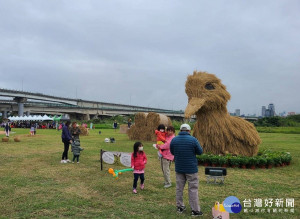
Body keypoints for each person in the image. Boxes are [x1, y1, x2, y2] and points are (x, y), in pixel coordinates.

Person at [170, 124, 204, 216]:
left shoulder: (174, 140)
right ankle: (195, 210)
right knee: (193, 189)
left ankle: (180, 207)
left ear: (180, 130)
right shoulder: (193, 140)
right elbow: (200, 152)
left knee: (179, 188)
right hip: (191, 169)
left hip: (179, 167)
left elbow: (172, 151)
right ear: (189, 131)